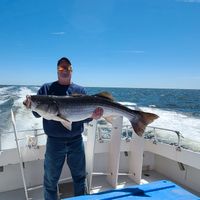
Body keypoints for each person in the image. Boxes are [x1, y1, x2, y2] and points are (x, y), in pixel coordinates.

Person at [23, 57, 103, 200]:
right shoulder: (46, 89)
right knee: (50, 181)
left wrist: (93, 116)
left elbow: (83, 117)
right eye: (61, 68)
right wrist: (31, 105)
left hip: (76, 141)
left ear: (71, 70)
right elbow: (37, 113)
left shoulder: (80, 90)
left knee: (79, 177)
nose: (64, 71)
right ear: (57, 71)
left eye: (67, 68)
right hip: (54, 142)